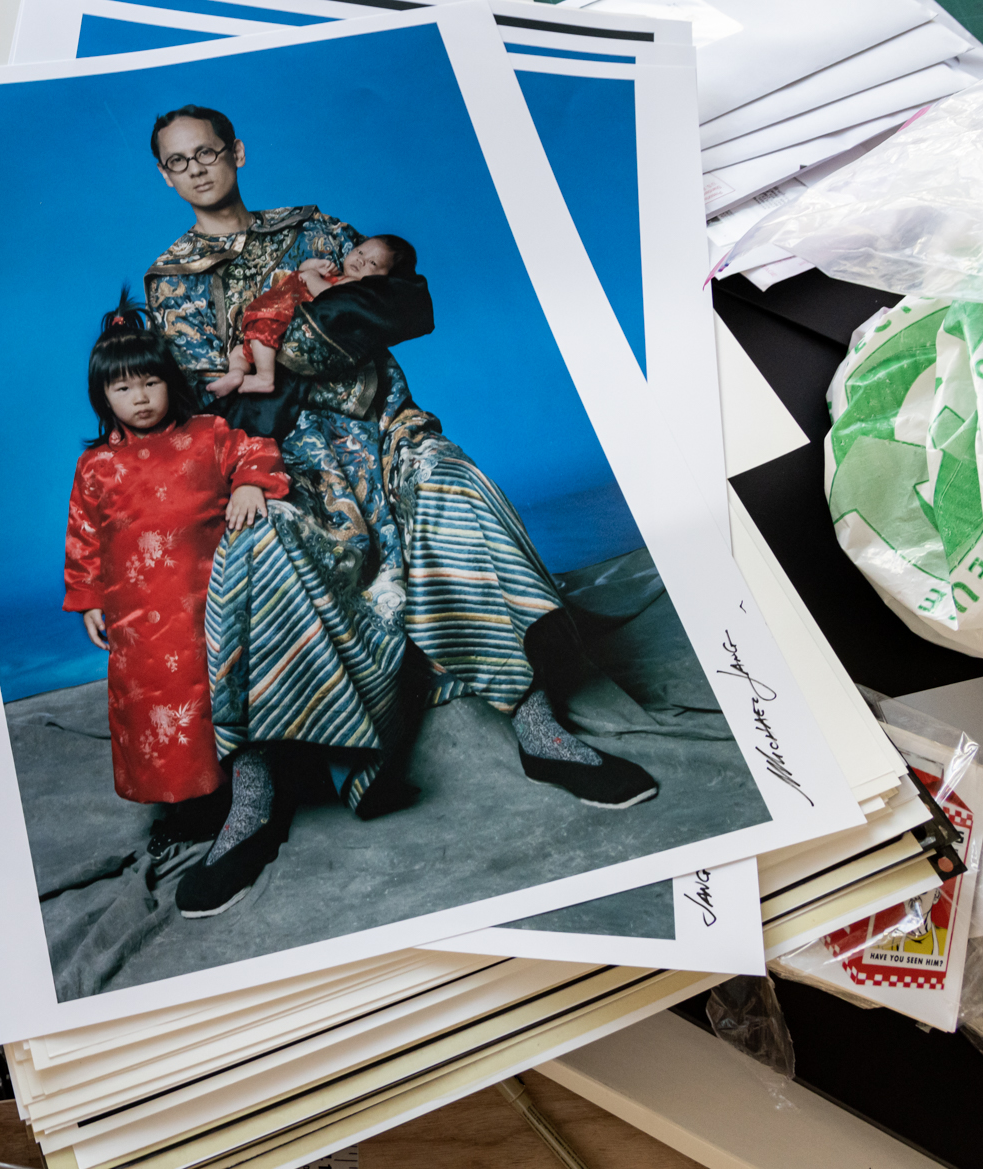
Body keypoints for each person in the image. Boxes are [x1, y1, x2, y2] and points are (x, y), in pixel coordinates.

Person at [139, 105, 659, 917]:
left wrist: (290, 351)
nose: (198, 168)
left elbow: (404, 305)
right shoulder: (169, 280)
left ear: (237, 151)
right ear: (165, 177)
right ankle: (254, 797)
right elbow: (216, 396)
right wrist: (320, 340)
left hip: (383, 428)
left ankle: (539, 729)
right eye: (179, 161)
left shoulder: (315, 228)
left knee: (453, 479)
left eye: (209, 151)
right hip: (283, 462)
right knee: (250, 548)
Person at [63, 299, 286, 855]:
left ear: (169, 382)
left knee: (212, 702)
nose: (139, 398)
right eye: (122, 389)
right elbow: (83, 534)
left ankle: (235, 799)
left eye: (149, 383)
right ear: (103, 397)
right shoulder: (98, 465)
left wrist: (248, 484)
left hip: (207, 605)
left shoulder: (207, 434)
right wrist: (89, 598)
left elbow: (256, 448)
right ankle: (181, 806)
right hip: (136, 617)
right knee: (154, 714)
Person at [206, 234, 422, 397]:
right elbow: (300, 273)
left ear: (383, 279)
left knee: (262, 331)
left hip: (280, 320)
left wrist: (311, 277)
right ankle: (236, 373)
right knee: (239, 350)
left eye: (373, 263)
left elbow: (329, 297)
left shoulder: (354, 287)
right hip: (273, 318)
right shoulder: (337, 274)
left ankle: (264, 377)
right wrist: (312, 267)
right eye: (360, 252)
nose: (361, 260)